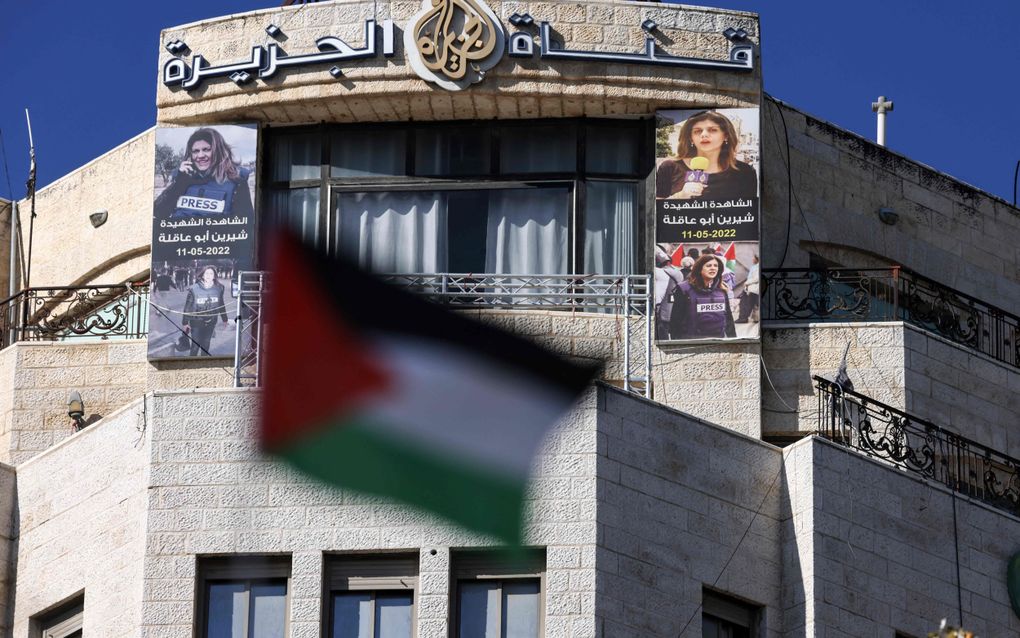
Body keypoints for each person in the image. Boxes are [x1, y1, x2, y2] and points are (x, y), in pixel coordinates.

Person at [656, 111, 758, 201]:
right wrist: (680, 196)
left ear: (726, 136)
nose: (704, 134)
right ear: (691, 138)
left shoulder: (745, 172)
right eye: (697, 131)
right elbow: (654, 211)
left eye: (713, 130)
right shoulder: (669, 168)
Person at [155, 128, 254, 220]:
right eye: (195, 151)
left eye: (206, 149)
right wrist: (179, 183)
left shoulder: (236, 179)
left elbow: (245, 224)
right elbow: (159, 212)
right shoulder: (182, 177)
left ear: (218, 151)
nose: (200, 155)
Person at [660, 254, 736, 340]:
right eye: (708, 265)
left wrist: (733, 341)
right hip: (690, 342)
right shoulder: (684, 289)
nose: (713, 268)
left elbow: (729, 320)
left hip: (717, 342)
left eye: (716, 266)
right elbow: (675, 321)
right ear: (699, 268)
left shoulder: (722, 290)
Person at [182, 265, 229, 356]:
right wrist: (185, 323)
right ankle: (191, 365)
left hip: (211, 321)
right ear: (202, 275)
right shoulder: (194, 289)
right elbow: (187, 307)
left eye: (211, 273)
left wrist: (225, 319)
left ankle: (203, 363)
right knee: (195, 345)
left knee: (206, 344)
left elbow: (221, 304)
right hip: (196, 321)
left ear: (214, 276)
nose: (208, 275)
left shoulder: (219, 288)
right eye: (206, 273)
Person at [737, 254, 760, 323]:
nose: (752, 259)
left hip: (753, 288)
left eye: (753, 258)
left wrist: (747, 283)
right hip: (751, 288)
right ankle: (755, 318)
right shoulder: (754, 266)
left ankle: (743, 318)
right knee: (754, 304)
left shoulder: (758, 267)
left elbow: (757, 278)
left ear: (757, 259)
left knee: (745, 303)